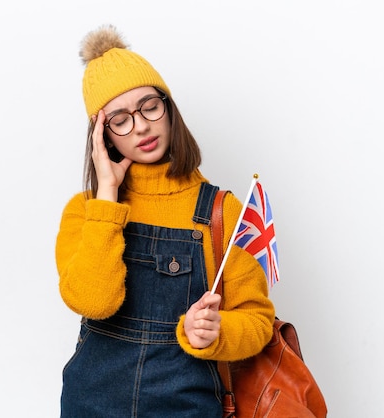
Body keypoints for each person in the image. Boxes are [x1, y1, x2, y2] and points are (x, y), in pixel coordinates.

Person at [56, 24, 275, 417]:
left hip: (186, 405)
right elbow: (94, 301)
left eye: (148, 106)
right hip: (91, 403)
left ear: (168, 107)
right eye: (119, 120)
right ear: (102, 137)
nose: (140, 125)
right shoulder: (86, 211)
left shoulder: (222, 211)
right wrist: (107, 196)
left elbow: (258, 321)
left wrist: (216, 332)